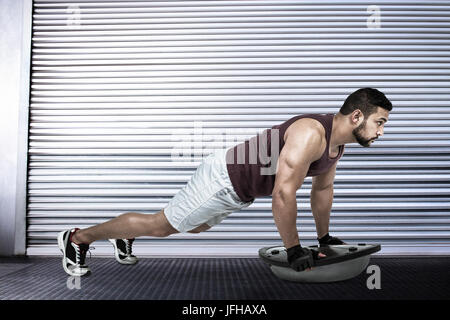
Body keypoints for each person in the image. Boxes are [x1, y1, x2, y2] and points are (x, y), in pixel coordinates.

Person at [57, 87, 392, 277]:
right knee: (162, 225)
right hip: (224, 180)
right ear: (357, 116)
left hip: (238, 189)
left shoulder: (337, 145)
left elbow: (322, 190)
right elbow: (283, 194)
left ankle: (125, 233)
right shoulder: (310, 133)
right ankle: (78, 238)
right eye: (379, 122)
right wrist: (293, 249)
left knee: (195, 226)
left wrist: (323, 237)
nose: (380, 131)